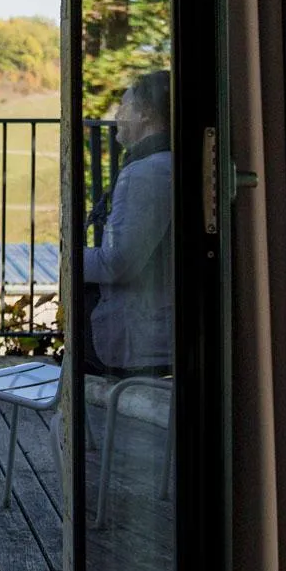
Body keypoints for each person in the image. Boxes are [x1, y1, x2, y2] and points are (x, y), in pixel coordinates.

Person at [84, 70, 173, 377]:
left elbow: (118, 263)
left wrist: (68, 260)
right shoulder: (163, 163)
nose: (118, 115)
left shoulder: (147, 172)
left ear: (146, 114)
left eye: (124, 106)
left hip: (140, 341)